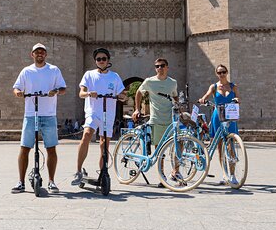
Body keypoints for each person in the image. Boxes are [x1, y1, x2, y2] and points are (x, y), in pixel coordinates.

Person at [11, 43, 66, 194]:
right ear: (32, 54)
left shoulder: (54, 70)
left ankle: (51, 181)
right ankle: (20, 182)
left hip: (49, 115)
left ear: (46, 55)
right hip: (30, 114)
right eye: (37, 52)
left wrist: (55, 91)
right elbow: (16, 87)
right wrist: (18, 93)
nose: (40, 54)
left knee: (51, 148)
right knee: (24, 148)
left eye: (42, 52)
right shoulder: (26, 71)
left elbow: (63, 88)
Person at [72, 48, 126, 185]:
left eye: (104, 59)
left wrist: (122, 96)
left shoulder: (115, 77)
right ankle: (78, 171)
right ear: (95, 61)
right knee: (87, 134)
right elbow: (81, 93)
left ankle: (103, 173)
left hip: (108, 113)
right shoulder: (89, 75)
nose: (101, 61)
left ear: (108, 61)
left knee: (104, 144)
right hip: (93, 112)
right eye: (98, 59)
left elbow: (123, 94)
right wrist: (89, 93)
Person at [133, 58, 179, 186]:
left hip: (171, 119)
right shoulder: (149, 81)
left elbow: (175, 95)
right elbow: (138, 92)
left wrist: (178, 105)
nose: (160, 68)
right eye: (157, 66)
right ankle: (161, 176)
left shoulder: (173, 82)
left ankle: (176, 172)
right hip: (156, 119)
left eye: (162, 66)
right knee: (159, 149)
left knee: (177, 144)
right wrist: (137, 109)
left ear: (167, 67)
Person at [198, 64, 241, 185]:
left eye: (223, 72)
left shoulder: (233, 86)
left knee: (230, 145)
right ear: (217, 74)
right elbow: (205, 96)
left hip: (230, 116)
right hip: (218, 116)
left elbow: (238, 98)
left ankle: (232, 175)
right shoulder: (214, 87)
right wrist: (202, 99)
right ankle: (224, 173)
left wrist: (237, 100)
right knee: (220, 146)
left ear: (227, 73)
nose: (221, 74)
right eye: (219, 72)